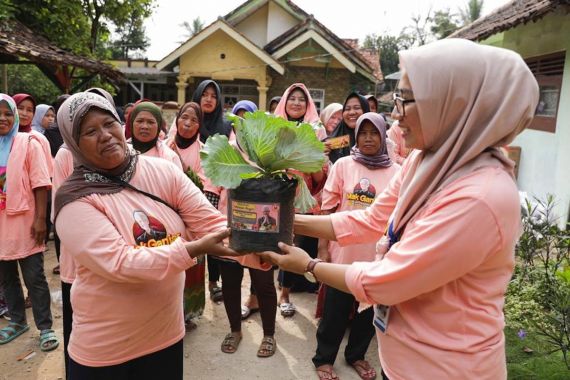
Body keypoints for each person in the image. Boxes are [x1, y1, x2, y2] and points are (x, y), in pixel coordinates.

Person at [258, 39, 539, 379]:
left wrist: (310, 266)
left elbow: (388, 282)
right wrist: (286, 222)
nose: (394, 114)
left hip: (448, 369)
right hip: (403, 359)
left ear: (454, 103)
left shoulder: (482, 196)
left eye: (405, 100)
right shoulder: (427, 160)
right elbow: (373, 219)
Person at [54, 91, 241, 379]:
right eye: (90, 131)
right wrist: (191, 250)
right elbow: (121, 263)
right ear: (73, 143)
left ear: (120, 124)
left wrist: (257, 249)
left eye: (108, 124)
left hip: (166, 334)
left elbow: (209, 223)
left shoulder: (163, 171)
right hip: (106, 350)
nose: (104, 135)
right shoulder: (74, 199)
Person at [313, 113, 400, 380]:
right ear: (356, 136)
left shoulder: (397, 172)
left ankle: (356, 356)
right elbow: (327, 208)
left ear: (384, 137)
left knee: (367, 316)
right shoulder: (343, 165)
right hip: (343, 255)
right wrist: (322, 249)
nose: (368, 138)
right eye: (363, 133)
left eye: (375, 133)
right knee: (334, 312)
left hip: (378, 260)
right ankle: (324, 358)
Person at [0, 93, 59, 352]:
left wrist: (40, 220)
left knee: (34, 276)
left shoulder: (28, 142)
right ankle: (17, 320)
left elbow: (41, 184)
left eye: (7, 113)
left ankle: (45, 327)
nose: (2, 118)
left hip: (24, 221)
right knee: (5, 276)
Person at [273, 83, 327, 317]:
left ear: (308, 104)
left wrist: (310, 161)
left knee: (294, 246)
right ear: (284, 101)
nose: (296, 103)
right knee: (270, 245)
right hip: (274, 193)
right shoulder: (272, 127)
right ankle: (260, 295)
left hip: (304, 196)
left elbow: (320, 175)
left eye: (301, 99)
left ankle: (285, 294)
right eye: (292, 98)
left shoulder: (316, 130)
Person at [167, 101, 224, 305]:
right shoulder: (164, 147)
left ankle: (190, 310)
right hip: (166, 215)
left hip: (191, 215)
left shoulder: (204, 152)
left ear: (199, 125)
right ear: (177, 119)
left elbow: (204, 186)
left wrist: (181, 167)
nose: (188, 123)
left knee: (192, 260)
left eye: (194, 120)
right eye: (184, 117)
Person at [127, 101, 183, 170]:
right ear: (132, 124)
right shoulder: (121, 153)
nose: (145, 126)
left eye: (151, 122)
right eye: (140, 121)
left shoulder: (170, 158)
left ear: (159, 127)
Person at [328, 93, 370, 164]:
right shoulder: (336, 142)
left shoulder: (377, 139)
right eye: (347, 109)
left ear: (365, 110)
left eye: (357, 108)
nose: (351, 112)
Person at [192, 79, 232, 144]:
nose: (209, 99)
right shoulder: (185, 120)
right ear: (198, 97)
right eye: (204, 95)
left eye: (214, 96)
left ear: (218, 101)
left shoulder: (228, 126)